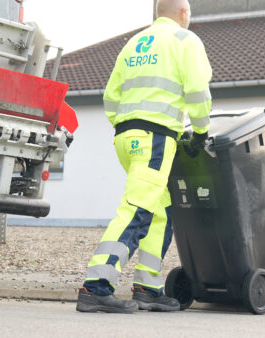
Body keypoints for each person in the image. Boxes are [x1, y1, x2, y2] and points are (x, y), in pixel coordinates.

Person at [76, 0, 212, 313]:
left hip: (127, 138)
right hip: (156, 139)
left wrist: (127, 127)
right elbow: (197, 92)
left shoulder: (134, 44)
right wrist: (201, 132)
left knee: (160, 209)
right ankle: (96, 287)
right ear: (184, 13)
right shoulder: (184, 40)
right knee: (137, 209)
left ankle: (148, 287)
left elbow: (111, 97)